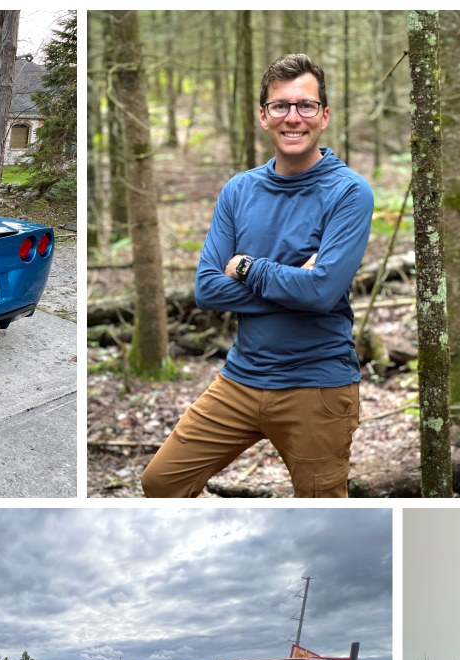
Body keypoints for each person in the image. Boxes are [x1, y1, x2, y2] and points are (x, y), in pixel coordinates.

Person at [141, 53, 374, 498]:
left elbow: (323, 292)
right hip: (240, 379)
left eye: (305, 105)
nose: (293, 117)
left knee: (322, 512)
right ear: (263, 116)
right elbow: (207, 288)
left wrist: (249, 267)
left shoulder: (348, 191)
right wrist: (298, 283)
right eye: (280, 106)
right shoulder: (239, 189)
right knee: (162, 482)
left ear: (324, 116)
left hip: (318, 385)